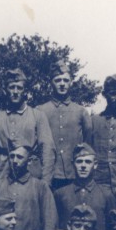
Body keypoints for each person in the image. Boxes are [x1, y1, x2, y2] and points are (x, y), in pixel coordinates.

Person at [0, 68, 55, 184]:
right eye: (11, 87)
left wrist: (45, 182)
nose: (15, 91)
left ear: (25, 91)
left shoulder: (38, 116)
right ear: (5, 90)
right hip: (2, 177)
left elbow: (47, 151)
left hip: (31, 176)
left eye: (19, 88)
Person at [36, 60, 93, 190]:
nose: (62, 84)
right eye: (57, 80)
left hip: (74, 176)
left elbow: (88, 143)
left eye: (66, 80)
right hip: (49, 176)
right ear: (51, 83)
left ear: (71, 82)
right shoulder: (40, 111)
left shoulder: (81, 112)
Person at [0, 140, 58, 230]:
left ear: (29, 161)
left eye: (19, 157)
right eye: (12, 156)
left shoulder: (40, 186)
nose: (14, 161)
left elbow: (50, 222)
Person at [53, 143, 116, 230]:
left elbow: (113, 229)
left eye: (88, 162)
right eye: (79, 161)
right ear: (73, 164)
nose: (83, 166)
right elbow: (55, 227)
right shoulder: (60, 194)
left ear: (95, 165)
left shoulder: (106, 194)